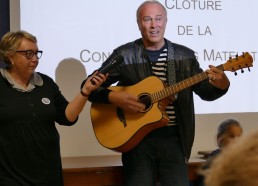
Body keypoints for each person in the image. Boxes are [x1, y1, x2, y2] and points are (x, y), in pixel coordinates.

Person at [84, 1, 230, 185]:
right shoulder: (124, 55)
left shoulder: (185, 56)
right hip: (136, 142)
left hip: (175, 139)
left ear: (166, 21)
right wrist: (114, 97)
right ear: (139, 23)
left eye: (158, 19)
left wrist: (222, 83)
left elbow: (205, 92)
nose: (154, 25)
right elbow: (88, 87)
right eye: (147, 19)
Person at [0, 30, 107, 186]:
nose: (35, 59)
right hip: (10, 177)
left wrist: (85, 92)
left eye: (37, 53)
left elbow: (67, 117)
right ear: (10, 56)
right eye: (29, 54)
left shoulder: (46, 82)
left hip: (48, 174)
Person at [195, 119, 243, 186]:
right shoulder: (214, 159)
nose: (236, 141)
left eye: (239, 137)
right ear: (219, 138)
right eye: (231, 136)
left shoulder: (242, 158)